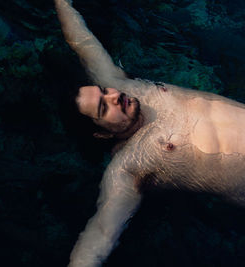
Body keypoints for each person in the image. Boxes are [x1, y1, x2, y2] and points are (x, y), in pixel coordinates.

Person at [54, 0, 245, 266]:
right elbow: (101, 234)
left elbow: (84, 44)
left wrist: (61, 3)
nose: (114, 97)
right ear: (102, 134)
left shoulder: (123, 86)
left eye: (104, 92)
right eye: (102, 107)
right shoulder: (128, 168)